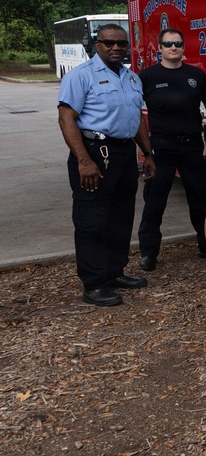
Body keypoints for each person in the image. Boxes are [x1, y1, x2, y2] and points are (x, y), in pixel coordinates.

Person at [58, 24, 155, 307]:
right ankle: (94, 284)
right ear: (96, 45)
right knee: (92, 221)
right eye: (109, 43)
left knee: (120, 218)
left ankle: (114, 272)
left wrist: (147, 153)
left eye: (121, 44)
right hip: (94, 153)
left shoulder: (132, 77)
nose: (116, 48)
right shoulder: (80, 76)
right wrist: (83, 160)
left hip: (124, 153)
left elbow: (136, 118)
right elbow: (66, 118)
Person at [136, 28, 206, 271]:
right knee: (154, 202)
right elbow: (134, 112)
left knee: (201, 200)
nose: (173, 47)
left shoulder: (196, 75)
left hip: (192, 146)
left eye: (178, 43)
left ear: (183, 47)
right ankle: (149, 253)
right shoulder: (146, 77)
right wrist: (146, 149)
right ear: (160, 48)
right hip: (161, 147)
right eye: (168, 44)